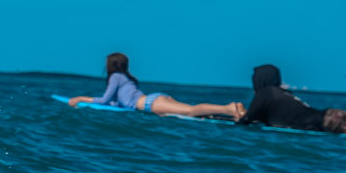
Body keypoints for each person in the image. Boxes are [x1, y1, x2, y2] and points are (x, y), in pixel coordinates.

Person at [63, 52, 244, 120]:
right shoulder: (126, 77)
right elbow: (118, 102)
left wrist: (81, 99)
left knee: (190, 111)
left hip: (150, 103)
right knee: (194, 113)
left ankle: (228, 108)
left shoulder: (116, 77)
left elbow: (104, 100)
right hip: (154, 99)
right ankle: (227, 113)